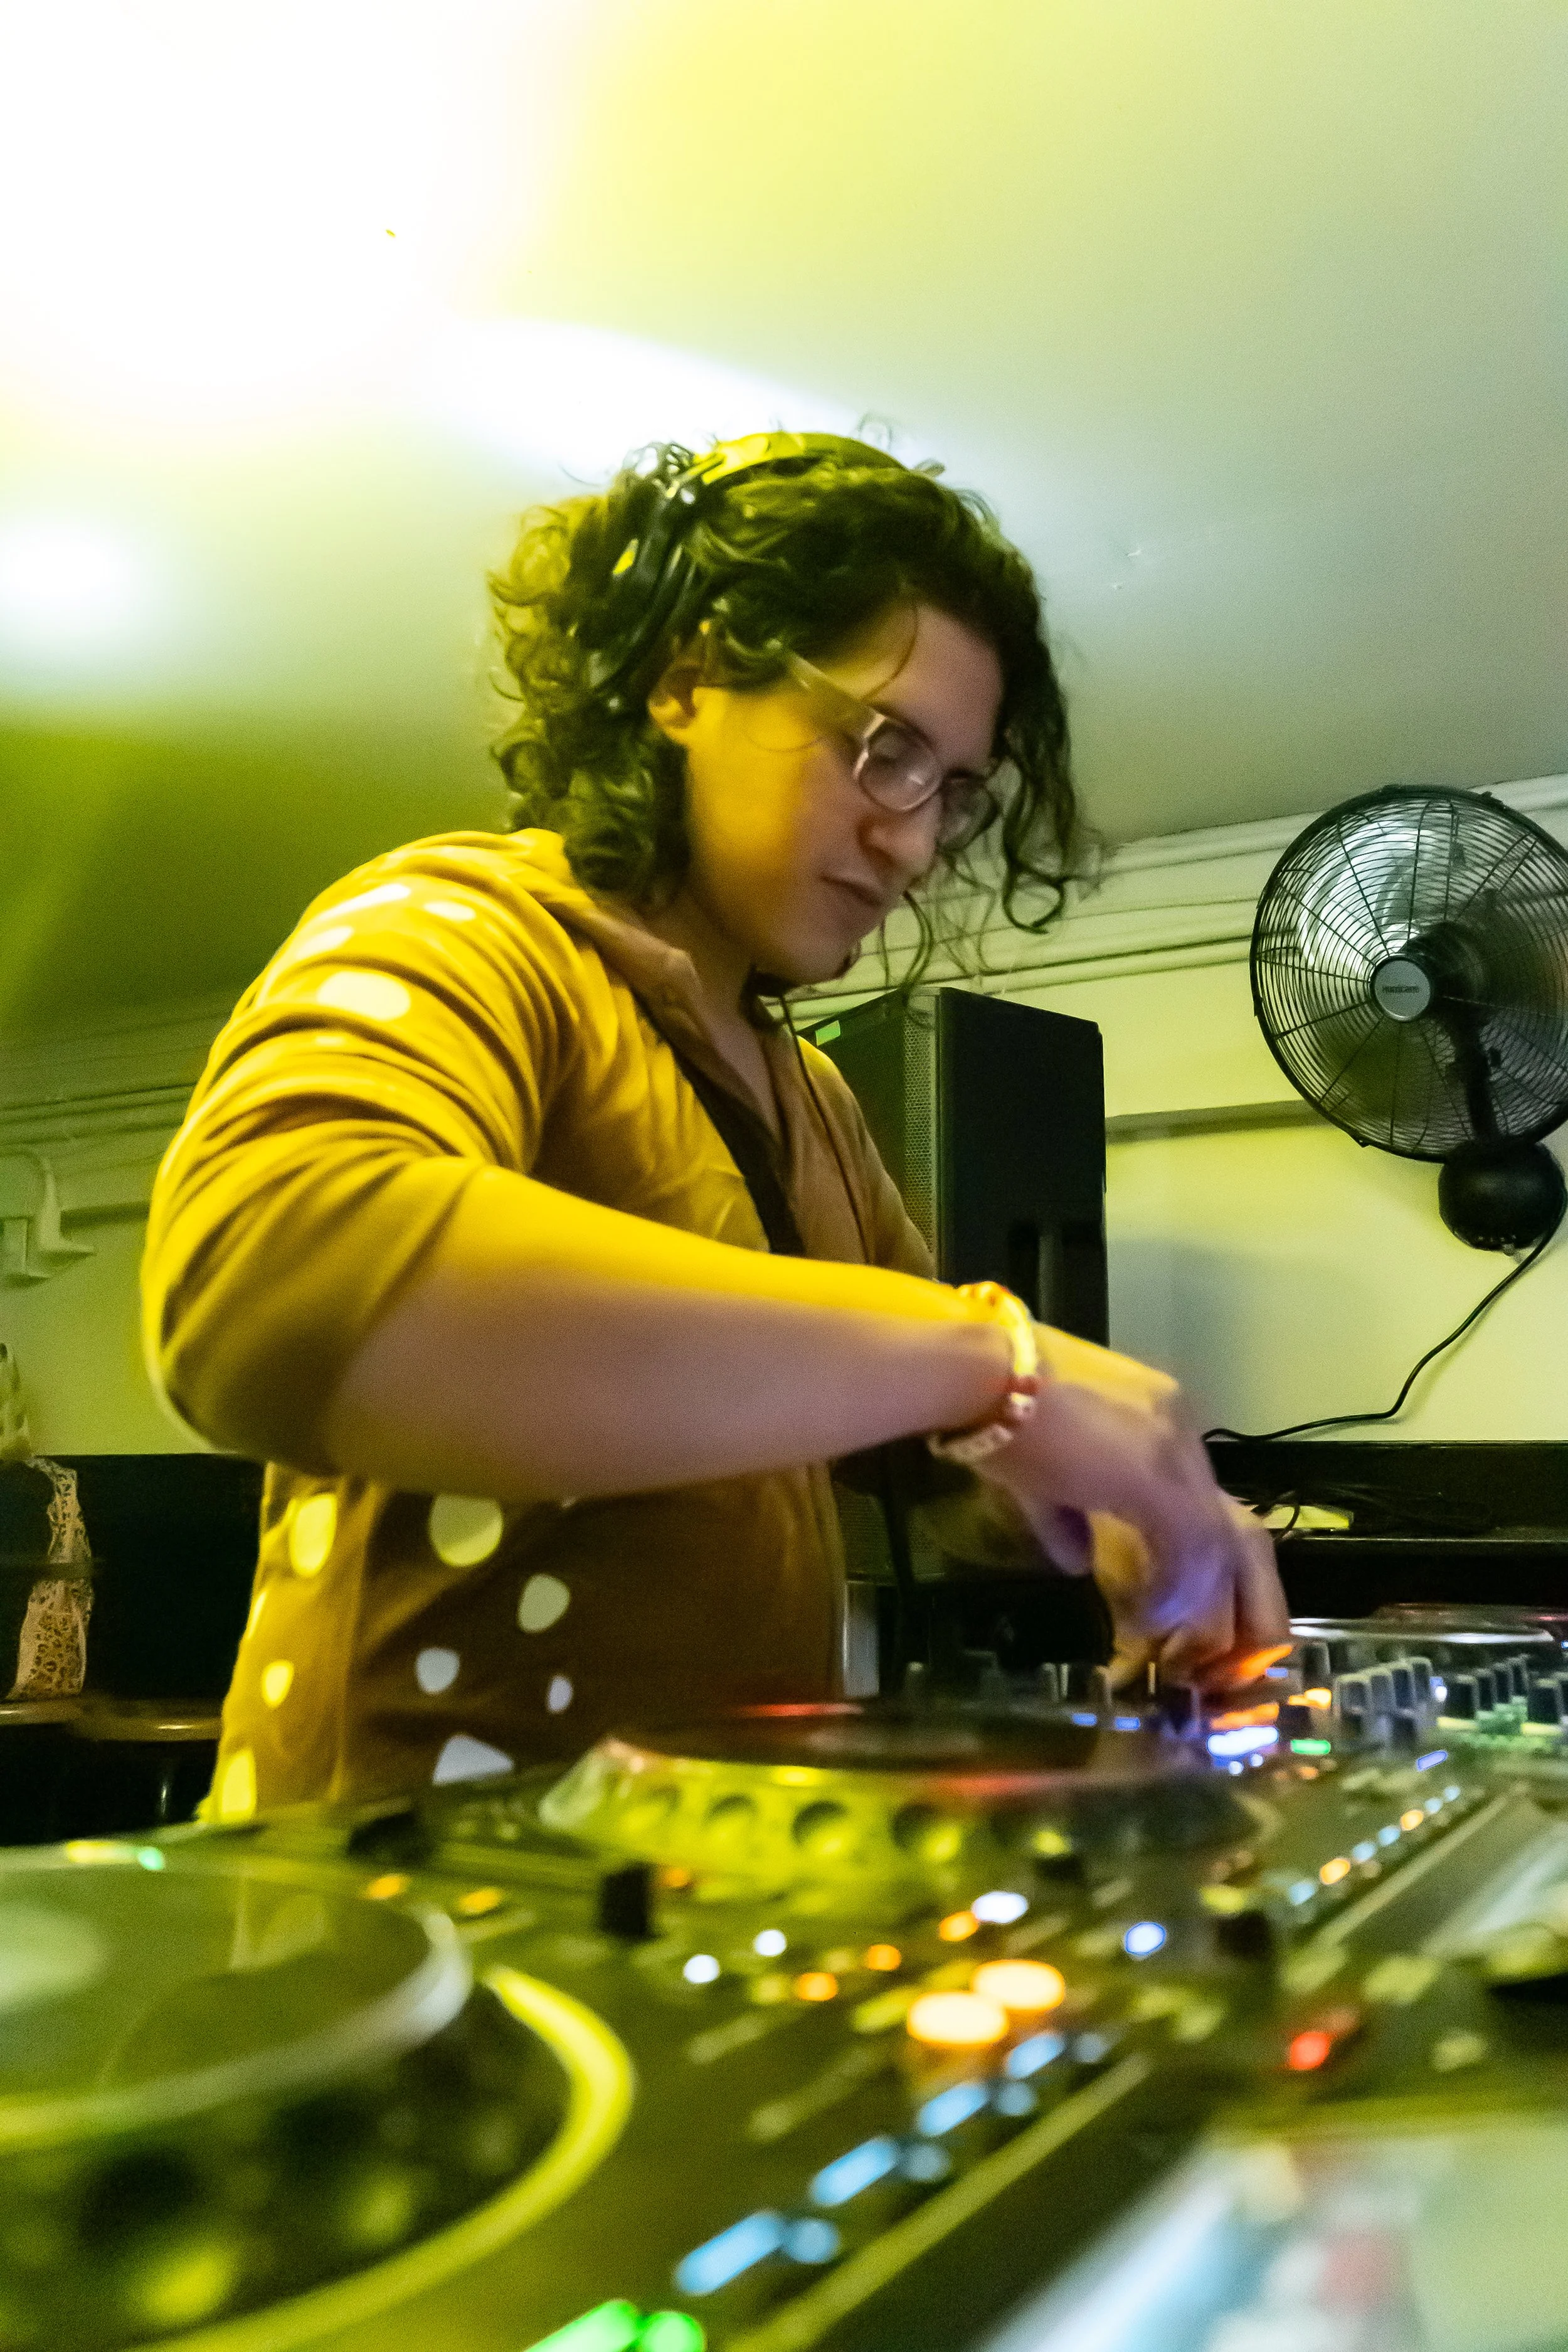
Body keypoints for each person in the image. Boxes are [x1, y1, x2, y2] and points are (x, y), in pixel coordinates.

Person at [140, 432, 1287, 1823]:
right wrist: (999, 1364)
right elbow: (268, 1280)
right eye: (882, 748)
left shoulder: (807, 1096)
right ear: (685, 680)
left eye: (954, 792)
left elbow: (914, 1451)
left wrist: (1087, 1495)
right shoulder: (465, 926)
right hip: (394, 1921)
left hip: (680, 1894)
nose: (915, 844)